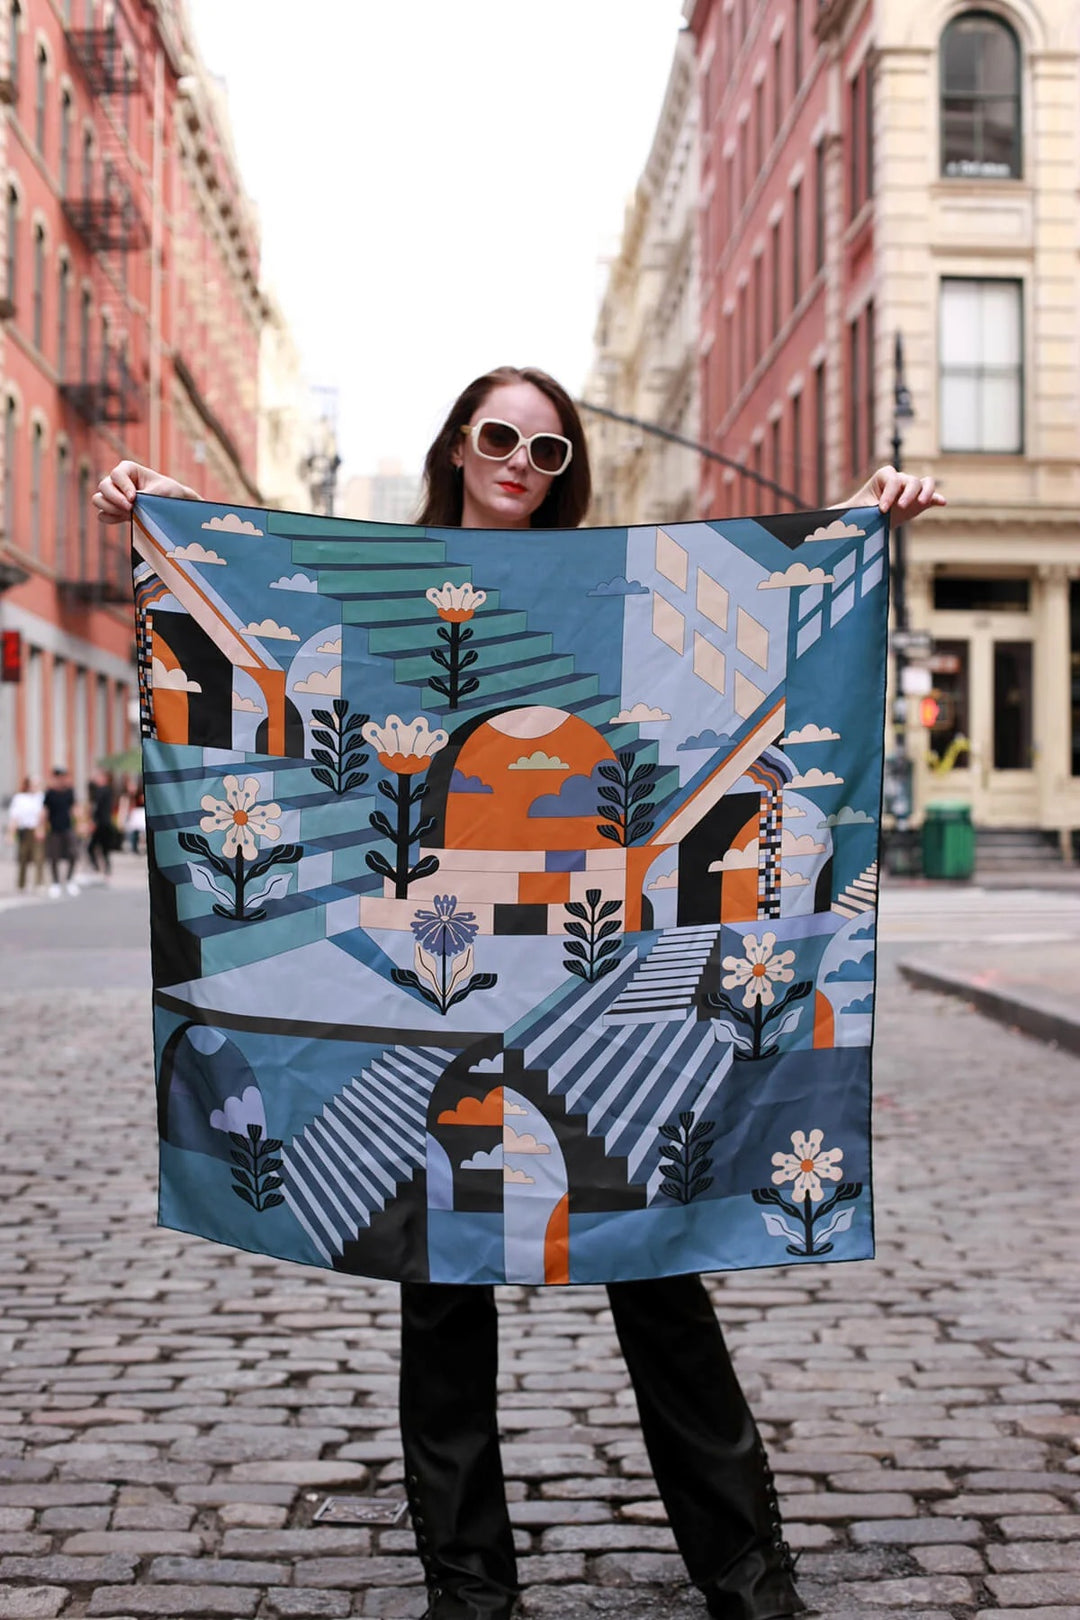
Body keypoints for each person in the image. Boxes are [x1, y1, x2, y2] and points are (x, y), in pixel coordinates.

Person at [95, 365, 943, 1620]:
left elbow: (772, 604)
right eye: (501, 438)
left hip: (595, 986)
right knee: (440, 1298)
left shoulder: (606, 580)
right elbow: (257, 575)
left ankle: (749, 1576)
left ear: (566, 474)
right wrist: (165, 509)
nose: (520, 464)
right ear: (456, 443)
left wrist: (863, 519)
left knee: (661, 1268)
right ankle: (470, 1590)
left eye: (548, 452)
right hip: (427, 993)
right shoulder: (387, 575)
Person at [43, 766, 78, 898]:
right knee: (54, 857)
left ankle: (69, 880)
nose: (62, 780)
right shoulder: (50, 793)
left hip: (68, 828)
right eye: (59, 777)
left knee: (73, 854)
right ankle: (55, 883)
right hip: (54, 829)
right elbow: (45, 811)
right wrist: (41, 828)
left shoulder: (69, 792)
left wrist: (81, 823)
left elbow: (74, 809)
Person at [7, 775, 45, 891]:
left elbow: (43, 814)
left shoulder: (41, 797)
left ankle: (39, 883)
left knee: (38, 857)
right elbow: (15, 817)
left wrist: (41, 828)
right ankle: (21, 884)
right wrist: (10, 833)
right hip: (24, 829)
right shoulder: (20, 798)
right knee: (23, 857)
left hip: (36, 829)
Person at [86, 769, 117, 876]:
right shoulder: (109, 790)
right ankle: (106, 868)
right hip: (106, 822)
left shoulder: (100, 791)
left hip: (100, 823)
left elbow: (96, 808)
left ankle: (97, 867)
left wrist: (93, 822)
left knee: (91, 847)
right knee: (104, 848)